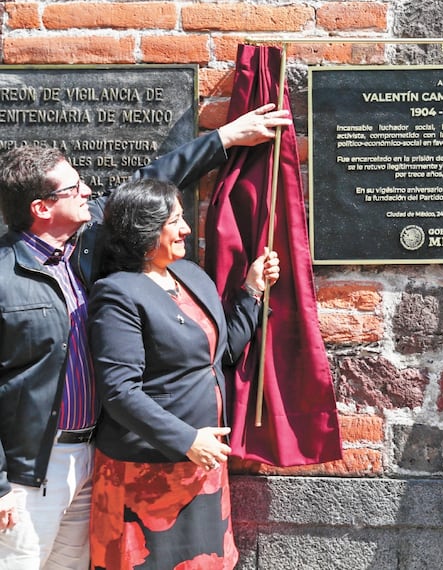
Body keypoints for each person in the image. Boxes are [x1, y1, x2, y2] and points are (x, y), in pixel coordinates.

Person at [0, 103, 292, 569]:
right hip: (33, 466)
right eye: (75, 188)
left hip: (89, 453)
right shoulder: (8, 276)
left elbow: (150, 181)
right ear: (41, 208)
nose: (90, 193)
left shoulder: (89, 242)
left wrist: (227, 138)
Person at [87, 178, 279, 569]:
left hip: (201, 466)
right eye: (174, 221)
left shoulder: (190, 275)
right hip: (148, 471)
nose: (186, 228)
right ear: (145, 230)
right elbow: (120, 392)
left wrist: (252, 291)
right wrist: (187, 439)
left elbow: (217, 355)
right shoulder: (117, 293)